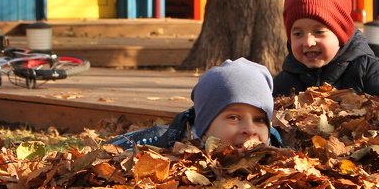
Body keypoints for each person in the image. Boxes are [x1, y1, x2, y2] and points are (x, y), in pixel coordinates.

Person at [272, 0, 379, 109]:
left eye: (319, 32)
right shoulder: (284, 82)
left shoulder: (368, 71)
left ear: (341, 33)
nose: (308, 42)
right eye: (298, 34)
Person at [109, 58, 283, 150]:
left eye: (259, 119)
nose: (250, 129)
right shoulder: (164, 144)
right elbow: (113, 152)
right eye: (234, 117)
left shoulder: (275, 147)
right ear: (204, 127)